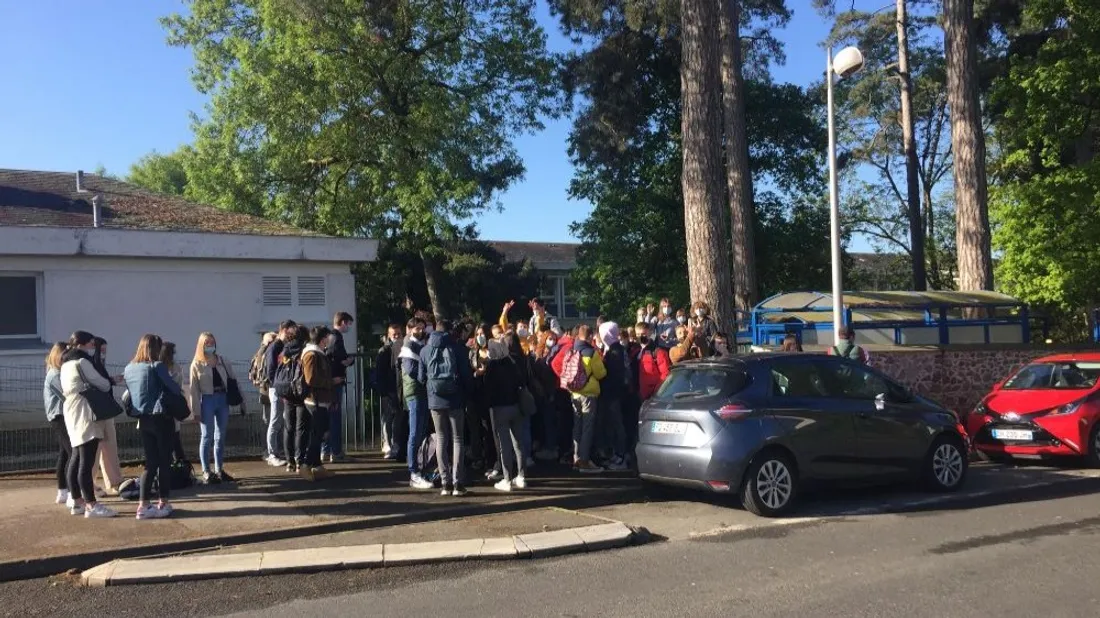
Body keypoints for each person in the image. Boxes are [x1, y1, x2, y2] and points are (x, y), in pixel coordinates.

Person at [124, 334, 183, 520]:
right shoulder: (156, 366)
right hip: (161, 418)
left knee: (150, 464)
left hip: (143, 419)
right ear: (156, 349)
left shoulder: (130, 368)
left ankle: (143, 505)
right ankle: (163, 502)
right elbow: (174, 388)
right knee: (164, 462)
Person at [60, 331, 117, 518]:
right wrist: (109, 382)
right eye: (92, 345)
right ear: (81, 345)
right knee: (87, 458)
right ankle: (92, 505)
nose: (94, 348)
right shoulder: (82, 362)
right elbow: (103, 384)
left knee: (76, 455)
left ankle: (76, 501)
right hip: (86, 411)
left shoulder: (65, 364)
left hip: (71, 410)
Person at [418, 319, 474, 497]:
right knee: (458, 440)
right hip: (455, 399)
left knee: (441, 439)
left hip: (435, 399)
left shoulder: (425, 350)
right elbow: (466, 376)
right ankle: (458, 483)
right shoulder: (457, 348)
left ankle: (445, 482)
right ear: (449, 331)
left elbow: (420, 377)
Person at [188, 332, 237, 484]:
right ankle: (206, 471)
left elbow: (233, 380)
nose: (210, 345)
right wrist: (195, 411)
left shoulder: (222, 360)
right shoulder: (196, 364)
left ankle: (219, 469)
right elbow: (193, 390)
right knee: (206, 436)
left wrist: (242, 401)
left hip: (222, 399)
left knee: (220, 436)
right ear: (201, 345)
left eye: (212, 342)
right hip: (207, 400)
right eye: (207, 343)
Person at [484, 336, 529, 491]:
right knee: (518, 443)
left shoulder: (491, 366)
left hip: (499, 408)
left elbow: (487, 389)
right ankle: (521, 476)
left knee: (504, 445)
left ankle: (507, 478)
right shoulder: (512, 363)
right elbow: (521, 382)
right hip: (515, 406)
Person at [563, 324, 607, 473]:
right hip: (588, 393)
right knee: (587, 428)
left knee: (577, 426)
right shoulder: (591, 352)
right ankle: (585, 460)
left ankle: (576, 458)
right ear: (589, 337)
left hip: (574, 393)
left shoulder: (570, 350)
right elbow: (601, 373)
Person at [399, 318, 433, 489]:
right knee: (415, 433)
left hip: (420, 392)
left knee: (419, 432)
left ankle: (419, 468)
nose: (421, 331)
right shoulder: (409, 346)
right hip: (415, 392)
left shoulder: (417, 344)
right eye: (418, 328)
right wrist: (425, 378)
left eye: (422, 328)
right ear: (410, 328)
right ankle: (414, 472)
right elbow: (410, 369)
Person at [300, 326, 336, 482]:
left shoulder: (318, 353)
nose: (330, 340)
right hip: (314, 400)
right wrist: (331, 382)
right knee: (316, 435)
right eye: (328, 337)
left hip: (321, 400)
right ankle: (305, 465)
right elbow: (311, 379)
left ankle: (317, 466)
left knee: (320, 434)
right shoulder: (311, 354)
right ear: (323, 339)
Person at [89, 337, 124, 497]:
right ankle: (89, 483)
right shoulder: (89, 365)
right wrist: (110, 381)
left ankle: (115, 481)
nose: (104, 354)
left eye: (105, 351)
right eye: (101, 351)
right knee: (94, 450)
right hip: (96, 412)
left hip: (106, 411)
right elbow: (97, 384)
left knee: (110, 447)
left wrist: (112, 380)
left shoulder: (100, 365)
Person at [264, 321, 297, 468]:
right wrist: (278, 386)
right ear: (283, 330)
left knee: (283, 420)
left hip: (282, 388)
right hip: (276, 389)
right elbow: (271, 371)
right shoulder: (275, 347)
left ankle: (279, 451)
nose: (291, 335)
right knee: (275, 421)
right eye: (290, 332)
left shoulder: (283, 346)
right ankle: (272, 454)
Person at [323, 312, 355, 463]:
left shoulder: (328, 336)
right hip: (336, 381)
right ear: (343, 322)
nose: (349, 327)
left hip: (327, 382)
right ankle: (336, 452)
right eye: (348, 323)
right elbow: (340, 358)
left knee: (327, 418)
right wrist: (349, 361)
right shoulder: (337, 337)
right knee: (335, 418)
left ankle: (325, 450)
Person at [597, 322, 629, 471]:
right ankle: (616, 453)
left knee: (617, 425)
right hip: (613, 393)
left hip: (612, 393)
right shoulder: (614, 349)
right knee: (613, 424)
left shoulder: (614, 352)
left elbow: (614, 375)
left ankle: (621, 455)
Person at [249, 331, 284, 466]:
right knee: (273, 422)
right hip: (269, 390)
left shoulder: (259, 353)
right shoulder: (267, 353)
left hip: (264, 391)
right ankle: (271, 451)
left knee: (270, 422)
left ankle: (269, 451)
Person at [44, 341, 70, 506]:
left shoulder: (58, 372)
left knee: (65, 453)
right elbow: (66, 394)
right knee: (72, 452)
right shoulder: (54, 374)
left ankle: (63, 491)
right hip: (59, 416)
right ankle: (69, 490)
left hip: (62, 415)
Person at [374, 323, 404, 460]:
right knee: (388, 419)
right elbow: (380, 374)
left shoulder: (401, 348)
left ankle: (395, 444)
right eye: (394, 335)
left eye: (399, 334)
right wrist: (383, 392)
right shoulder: (384, 351)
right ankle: (388, 444)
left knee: (397, 419)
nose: (397, 337)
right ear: (388, 336)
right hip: (389, 389)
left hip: (398, 389)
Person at [281, 327, 309, 472]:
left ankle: (289, 461)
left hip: (287, 393)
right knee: (301, 428)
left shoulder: (285, 349)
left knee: (289, 427)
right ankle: (300, 460)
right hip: (300, 391)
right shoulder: (305, 350)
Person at [159, 342, 190, 463]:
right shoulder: (158, 367)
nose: (173, 355)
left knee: (175, 439)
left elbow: (178, 387)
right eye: (171, 353)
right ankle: (173, 465)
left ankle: (180, 466)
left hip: (172, 409)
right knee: (168, 441)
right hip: (162, 410)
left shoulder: (176, 368)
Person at [636, 321, 672, 401]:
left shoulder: (658, 352)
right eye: (638, 335)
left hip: (654, 395)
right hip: (640, 394)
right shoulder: (635, 351)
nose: (640, 337)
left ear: (650, 333)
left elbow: (665, 374)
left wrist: (657, 392)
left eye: (643, 334)